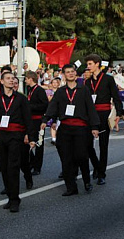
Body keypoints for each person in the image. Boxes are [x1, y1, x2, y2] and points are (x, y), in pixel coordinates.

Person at [42, 64, 100, 195]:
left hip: (81, 128)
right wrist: (45, 120)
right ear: (64, 75)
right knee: (66, 158)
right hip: (65, 128)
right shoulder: (61, 91)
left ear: (76, 73)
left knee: (81, 156)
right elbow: (52, 107)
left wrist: (95, 127)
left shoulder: (84, 90)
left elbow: (91, 109)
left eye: (72, 71)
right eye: (67, 72)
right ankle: (71, 187)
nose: (70, 74)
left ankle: (86, 181)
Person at [0, 72, 36, 213]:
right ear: (2, 81)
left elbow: (28, 118)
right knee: (4, 167)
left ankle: (15, 199)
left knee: (13, 167)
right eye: (8, 78)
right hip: (1, 136)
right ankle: (10, 197)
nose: (11, 81)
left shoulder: (21, 99)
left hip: (15, 136)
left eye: (13, 79)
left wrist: (30, 136)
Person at [84, 54, 122, 185]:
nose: (88, 67)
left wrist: (118, 113)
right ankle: (96, 166)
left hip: (104, 113)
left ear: (97, 64)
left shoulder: (108, 79)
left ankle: (101, 174)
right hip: (90, 115)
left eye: (90, 64)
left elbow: (116, 96)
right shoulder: (87, 82)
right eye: (87, 64)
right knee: (88, 144)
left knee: (103, 145)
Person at [25, 70, 49, 176]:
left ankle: (37, 167)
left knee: (39, 143)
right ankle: (32, 162)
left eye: (26, 79)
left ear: (31, 79)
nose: (25, 81)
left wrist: (30, 106)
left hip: (38, 119)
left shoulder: (39, 90)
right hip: (30, 120)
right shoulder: (29, 90)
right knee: (28, 141)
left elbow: (44, 105)